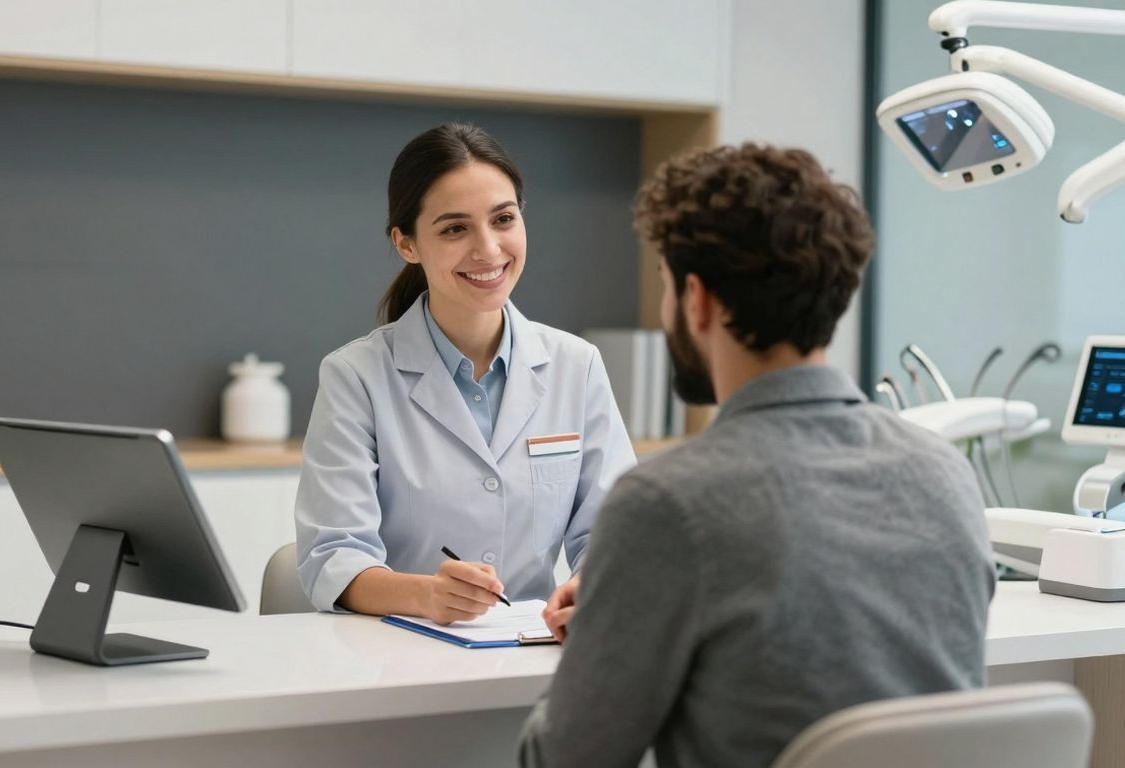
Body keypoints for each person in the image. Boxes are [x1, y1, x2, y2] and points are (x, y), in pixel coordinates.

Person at [519, 144, 995, 767]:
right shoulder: (946, 475)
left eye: (665, 288)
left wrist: (614, 637)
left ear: (699, 300)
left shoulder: (667, 505)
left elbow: (564, 761)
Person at [295, 123, 637, 623]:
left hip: (533, 654)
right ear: (407, 243)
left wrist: (590, 588)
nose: (489, 249)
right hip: (398, 657)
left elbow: (615, 535)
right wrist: (426, 597)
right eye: (455, 228)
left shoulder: (576, 365)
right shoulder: (356, 376)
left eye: (503, 219)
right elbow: (332, 557)